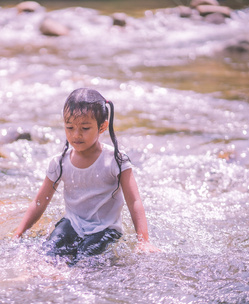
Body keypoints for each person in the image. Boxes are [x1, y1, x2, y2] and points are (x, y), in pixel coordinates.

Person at [14, 88, 159, 265]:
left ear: (102, 126)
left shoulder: (115, 160)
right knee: (46, 254)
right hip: (72, 224)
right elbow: (39, 201)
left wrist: (143, 241)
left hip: (105, 229)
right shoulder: (59, 163)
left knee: (83, 261)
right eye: (70, 127)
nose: (76, 134)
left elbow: (134, 201)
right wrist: (19, 233)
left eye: (85, 128)